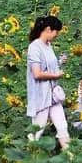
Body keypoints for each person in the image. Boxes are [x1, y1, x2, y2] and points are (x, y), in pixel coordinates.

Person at [26, 16, 70, 150]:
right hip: (41, 95)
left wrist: (60, 62)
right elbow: (37, 73)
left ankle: (71, 158)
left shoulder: (48, 45)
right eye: (56, 32)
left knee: (62, 126)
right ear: (48, 29)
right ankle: (28, 162)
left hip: (53, 95)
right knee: (37, 130)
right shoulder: (34, 47)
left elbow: (50, 65)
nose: (57, 35)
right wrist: (56, 75)